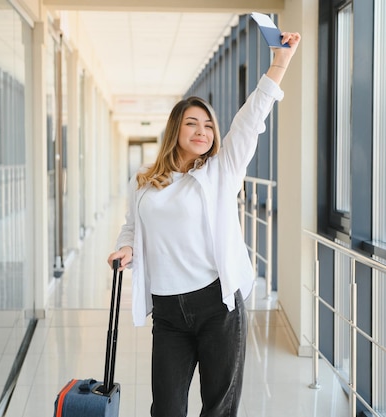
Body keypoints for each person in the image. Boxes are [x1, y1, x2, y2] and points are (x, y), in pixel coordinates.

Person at [107, 30, 301, 417]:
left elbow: (251, 119)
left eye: (208, 125)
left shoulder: (221, 170)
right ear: (175, 129)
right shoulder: (144, 180)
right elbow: (133, 225)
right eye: (192, 123)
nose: (202, 132)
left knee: (218, 407)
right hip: (167, 310)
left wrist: (279, 63)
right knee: (166, 409)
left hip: (217, 305)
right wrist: (126, 246)